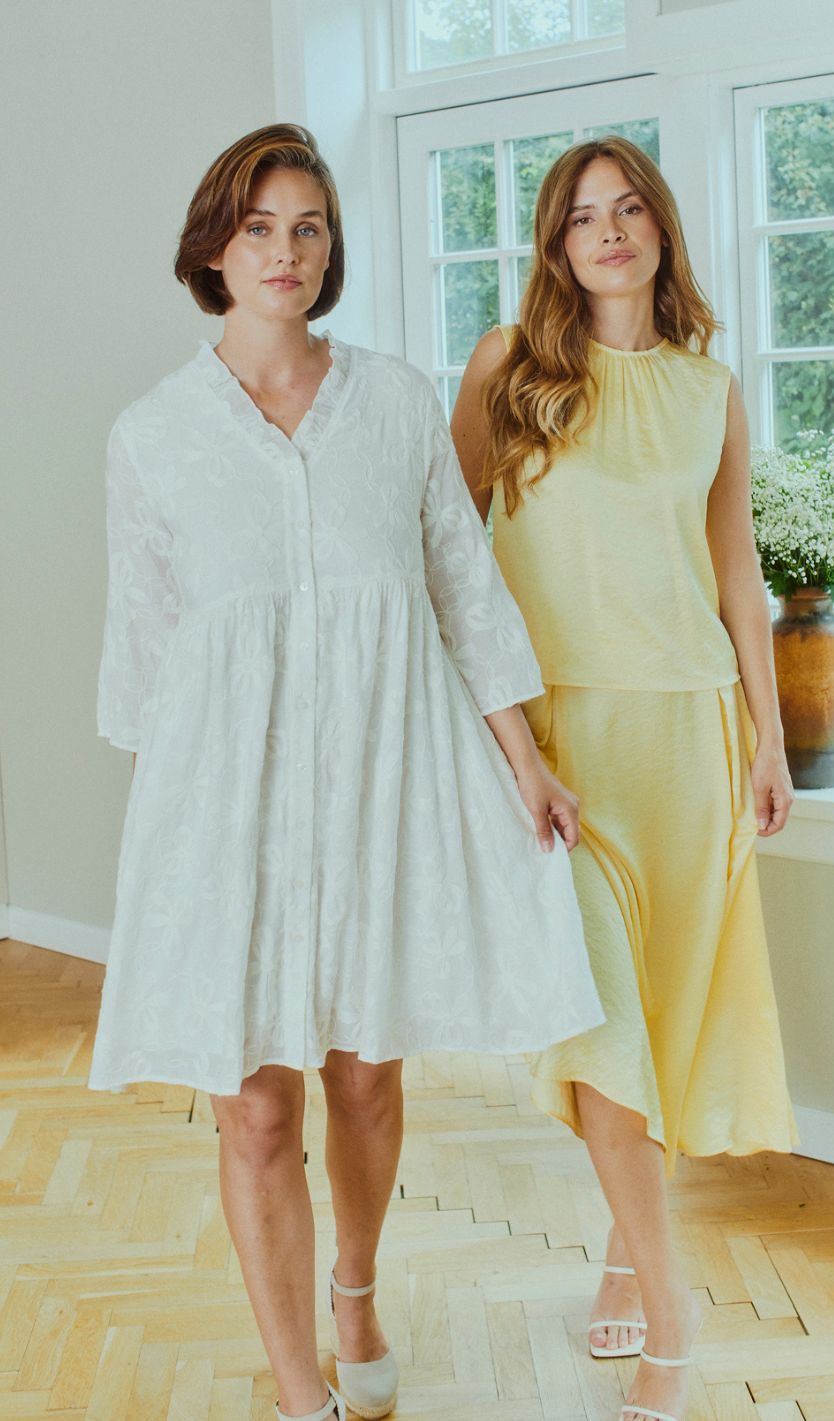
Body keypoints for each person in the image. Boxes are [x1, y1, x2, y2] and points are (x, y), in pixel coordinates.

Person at [91, 124, 604, 1421]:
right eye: (259, 227)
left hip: (380, 789)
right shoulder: (151, 437)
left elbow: (461, 589)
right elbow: (147, 661)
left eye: (308, 227)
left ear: (331, 250)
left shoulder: (393, 401)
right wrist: (172, 867)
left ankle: (355, 1284)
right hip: (228, 815)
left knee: (364, 1077)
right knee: (255, 1112)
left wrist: (524, 761)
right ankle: (298, 1394)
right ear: (214, 249)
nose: (286, 251)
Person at [452, 135, 798, 1421]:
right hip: (565, 750)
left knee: (658, 1017)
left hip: (689, 739)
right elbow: (446, 554)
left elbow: (733, 571)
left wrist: (767, 735)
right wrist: (498, 739)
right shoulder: (508, 365)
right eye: (580, 216)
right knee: (599, 1033)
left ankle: (618, 1247)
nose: (606, 231)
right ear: (555, 243)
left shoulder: (708, 387)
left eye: (627, 208)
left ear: (658, 228)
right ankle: (670, 1311)